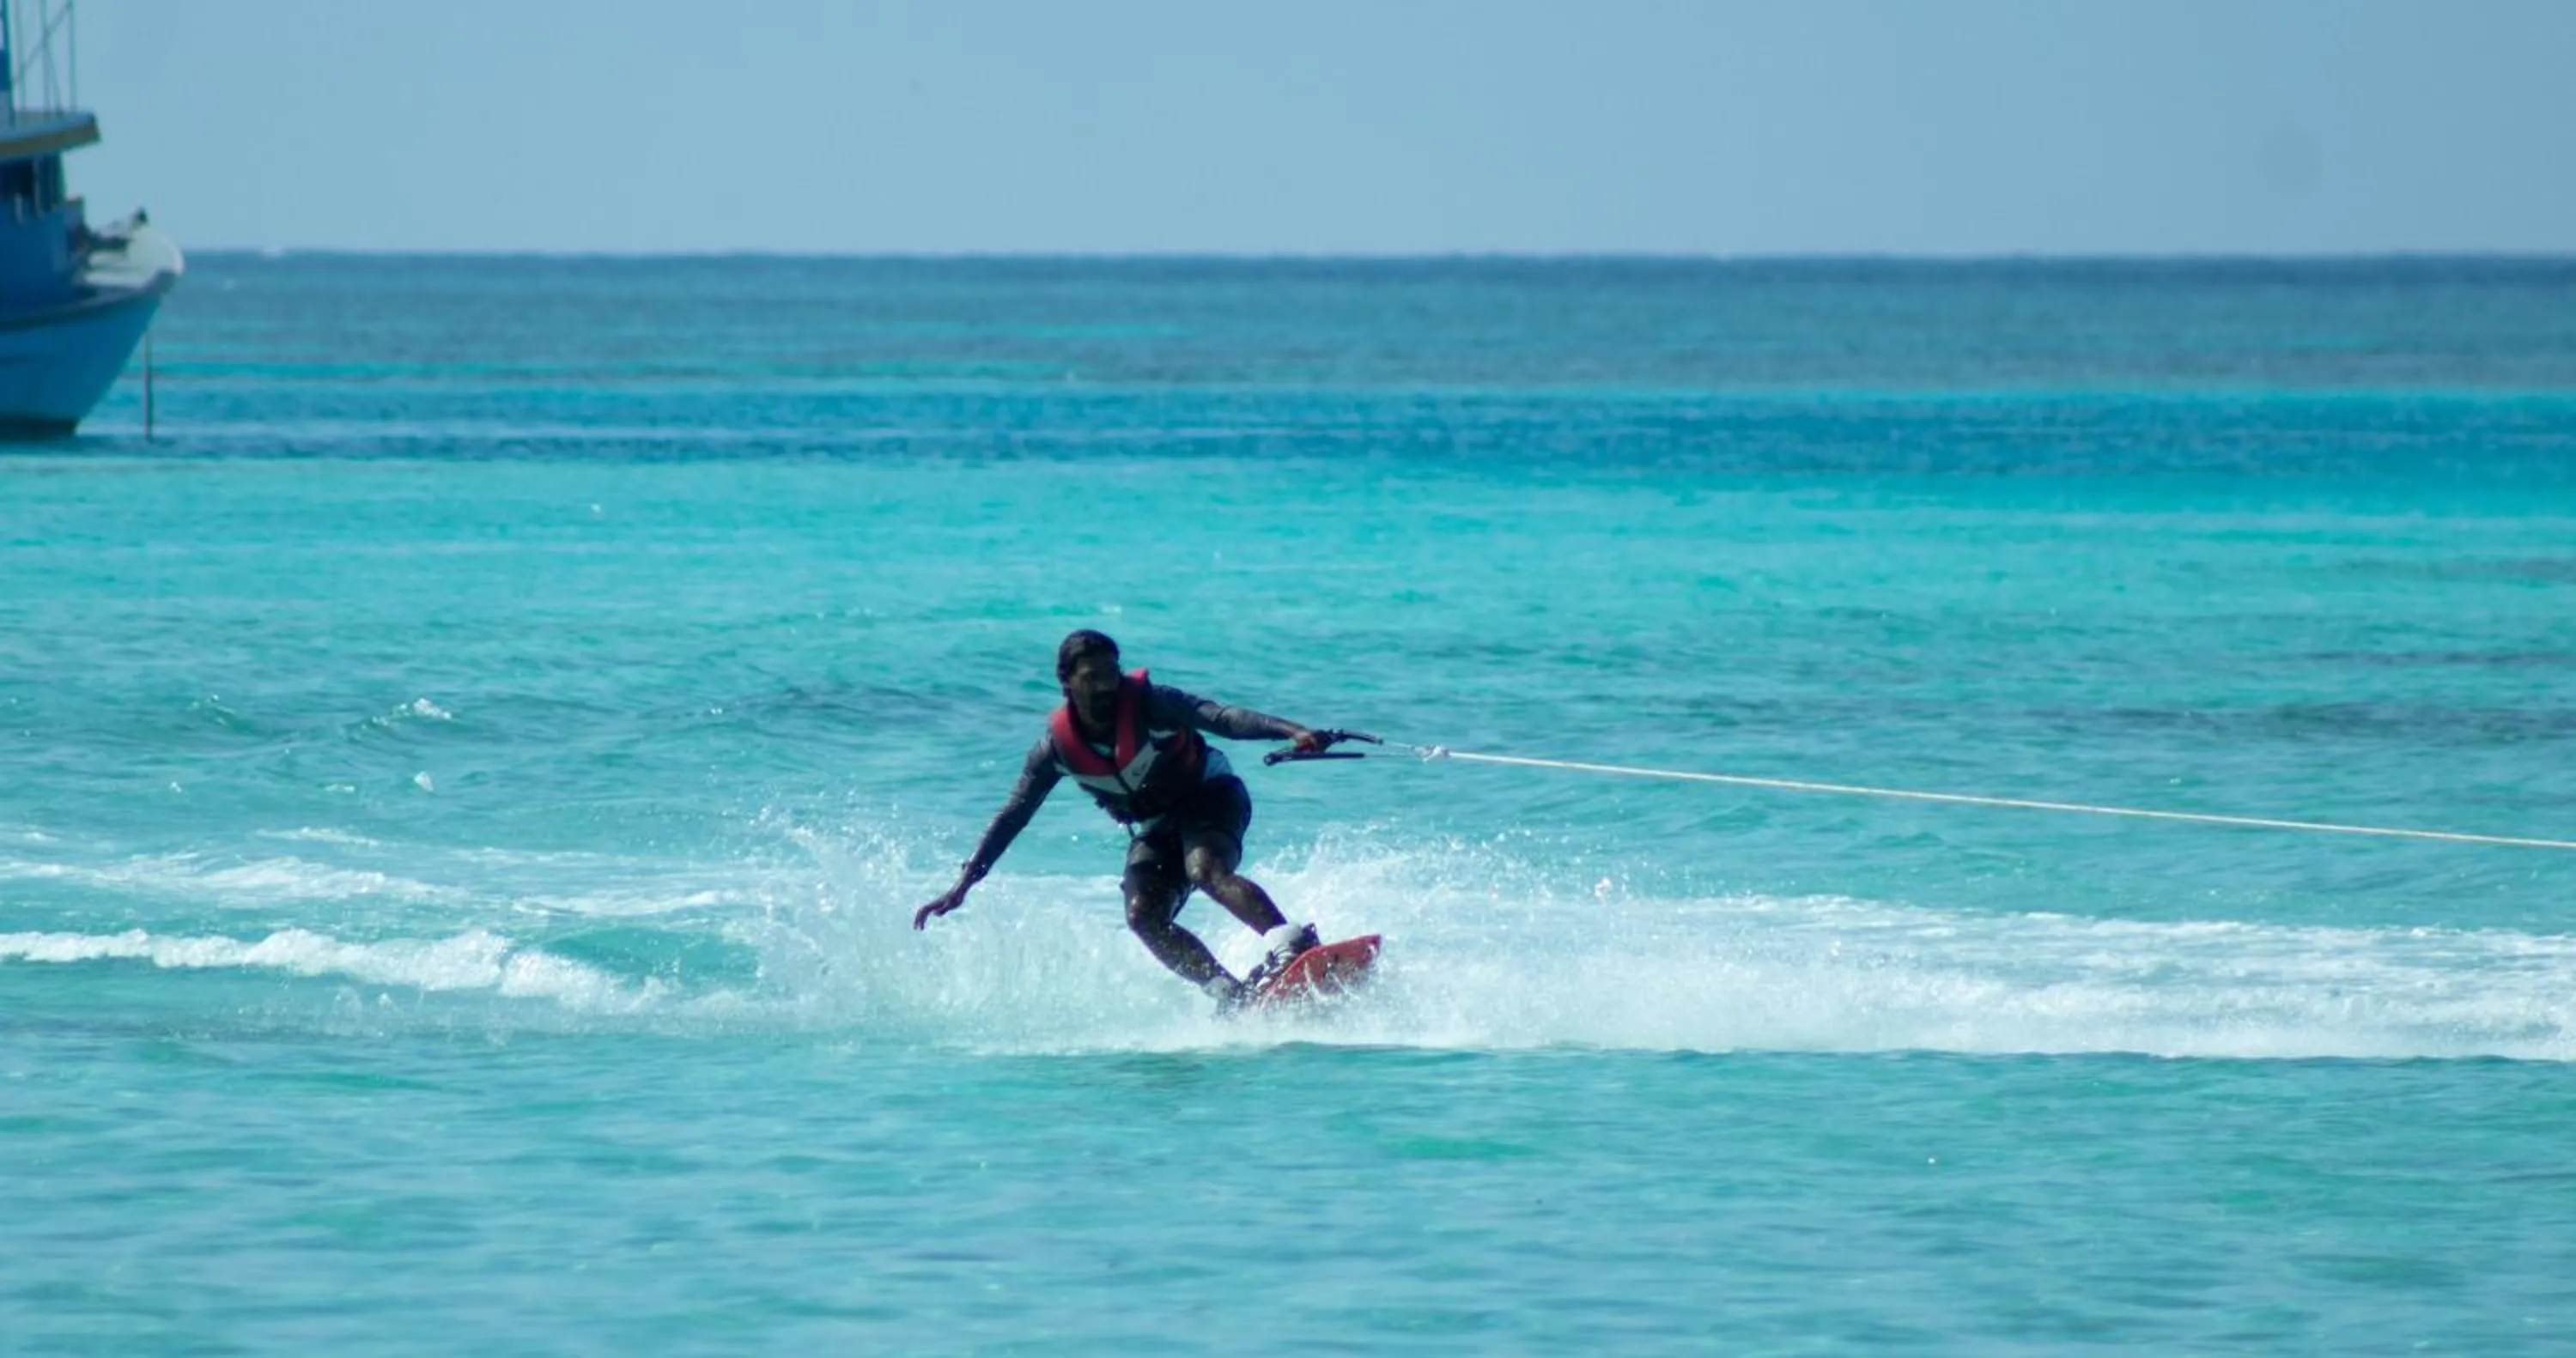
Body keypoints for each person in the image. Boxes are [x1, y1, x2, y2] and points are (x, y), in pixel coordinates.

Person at [913, 629, 1332, 1009]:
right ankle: (1231, 995)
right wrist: (964, 883)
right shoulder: (1054, 751)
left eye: (1111, 674)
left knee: (1204, 869)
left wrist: (1292, 731)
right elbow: (1013, 814)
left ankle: (1292, 943)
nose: (1105, 686)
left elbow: (1221, 718)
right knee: (1142, 915)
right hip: (1156, 826)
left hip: (1211, 794)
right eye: (1091, 677)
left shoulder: (1153, 705)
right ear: (1067, 682)